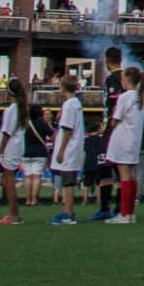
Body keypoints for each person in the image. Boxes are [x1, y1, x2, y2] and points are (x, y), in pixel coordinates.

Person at [102, 65, 144, 224]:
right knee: (131, 175)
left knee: (124, 176)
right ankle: (130, 212)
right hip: (134, 140)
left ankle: (125, 213)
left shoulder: (125, 97)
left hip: (123, 139)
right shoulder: (140, 98)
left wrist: (111, 121)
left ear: (127, 79)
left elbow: (115, 120)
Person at [93, 46, 126, 222]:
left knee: (105, 165)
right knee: (118, 168)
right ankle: (119, 206)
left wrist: (110, 127)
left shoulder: (113, 79)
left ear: (107, 61)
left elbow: (114, 104)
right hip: (122, 129)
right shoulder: (127, 78)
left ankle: (107, 207)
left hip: (112, 130)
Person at [49, 73, 84, 226]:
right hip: (74, 148)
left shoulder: (69, 105)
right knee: (68, 181)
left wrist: (61, 150)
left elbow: (68, 129)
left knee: (67, 182)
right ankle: (68, 211)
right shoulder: (75, 103)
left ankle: (68, 213)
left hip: (69, 149)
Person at [0, 79, 27, 225]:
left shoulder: (12, 109)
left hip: (10, 147)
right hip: (17, 145)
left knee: (9, 181)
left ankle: (13, 214)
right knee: (8, 180)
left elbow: (6, 132)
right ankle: (14, 213)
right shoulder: (20, 108)